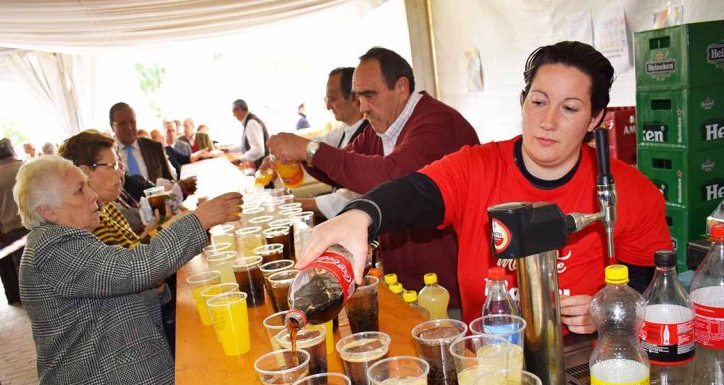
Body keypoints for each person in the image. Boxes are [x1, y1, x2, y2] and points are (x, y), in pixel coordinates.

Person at [298, 41, 672, 334]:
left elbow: (654, 283)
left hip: (586, 361)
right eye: (539, 101)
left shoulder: (630, 191)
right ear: (523, 102)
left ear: (596, 119)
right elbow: (416, 192)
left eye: (570, 109)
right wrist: (361, 215)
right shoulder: (476, 167)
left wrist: (611, 313)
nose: (548, 121)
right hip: (491, 361)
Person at [14, 155, 242, 385]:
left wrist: (153, 288)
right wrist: (199, 220)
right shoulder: (53, 249)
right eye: (79, 190)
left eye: (87, 185)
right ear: (49, 211)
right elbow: (136, 268)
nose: (92, 196)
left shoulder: (70, 241)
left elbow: (113, 285)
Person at [268, 47, 480, 312]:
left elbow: (391, 175)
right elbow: (345, 164)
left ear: (401, 87)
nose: (363, 107)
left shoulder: (437, 123)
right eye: (358, 97)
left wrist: (309, 150)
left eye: (369, 95)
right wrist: (300, 156)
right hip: (405, 286)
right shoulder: (384, 127)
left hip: (446, 293)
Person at [59, 130, 160, 248]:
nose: (121, 173)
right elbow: (130, 264)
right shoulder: (88, 223)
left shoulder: (108, 207)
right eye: (113, 166)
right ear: (85, 173)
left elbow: (133, 252)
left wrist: (151, 232)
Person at [299, 66, 368, 219]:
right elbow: (318, 144)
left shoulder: (369, 134)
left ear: (355, 98)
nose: (328, 106)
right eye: (327, 99)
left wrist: (294, 204)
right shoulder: (344, 130)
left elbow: (353, 196)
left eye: (333, 99)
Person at [109, 102, 196, 203]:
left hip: (162, 210)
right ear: (112, 126)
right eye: (123, 123)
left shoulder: (154, 148)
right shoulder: (109, 156)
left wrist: (180, 188)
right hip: (126, 215)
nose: (129, 127)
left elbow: (170, 181)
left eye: (132, 122)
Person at [0, 137, 24, 304]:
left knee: (22, 268)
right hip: (37, 222)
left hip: (11, 229)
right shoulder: (26, 167)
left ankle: (32, 300)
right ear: (12, 149)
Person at [230, 99, 270, 169]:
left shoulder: (251, 123)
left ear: (239, 110)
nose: (234, 115)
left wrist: (240, 160)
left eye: (234, 112)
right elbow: (246, 146)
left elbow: (258, 150)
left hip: (262, 166)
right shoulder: (250, 121)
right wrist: (229, 150)